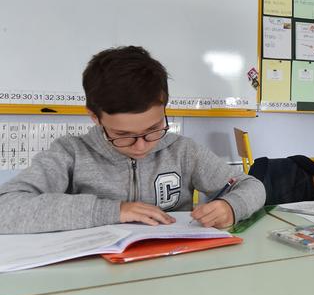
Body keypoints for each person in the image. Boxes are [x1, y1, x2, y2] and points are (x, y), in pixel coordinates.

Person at [0, 46, 265, 234]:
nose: (141, 145)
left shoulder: (183, 151)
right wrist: (113, 211)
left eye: (153, 129)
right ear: (95, 117)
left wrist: (231, 206)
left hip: (173, 269)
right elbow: (6, 209)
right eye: (123, 135)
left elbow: (251, 186)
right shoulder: (70, 153)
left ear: (164, 108)